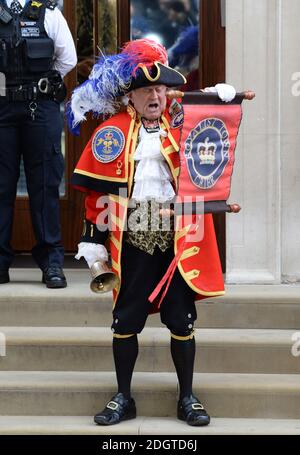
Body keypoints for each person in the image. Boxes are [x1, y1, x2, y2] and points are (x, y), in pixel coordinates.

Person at [69, 39, 235, 426]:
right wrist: (94, 245)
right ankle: (124, 398)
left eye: (161, 89)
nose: (155, 96)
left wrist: (222, 102)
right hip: (131, 241)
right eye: (146, 89)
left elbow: (216, 138)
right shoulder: (111, 133)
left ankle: (187, 397)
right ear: (132, 96)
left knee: (181, 319)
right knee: (125, 320)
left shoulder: (185, 128)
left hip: (178, 239)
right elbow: (98, 195)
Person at [0, 0, 77, 287]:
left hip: (40, 107)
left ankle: (52, 263)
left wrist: (40, 83)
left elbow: (67, 58)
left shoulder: (49, 12)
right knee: (1, 186)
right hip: (1, 108)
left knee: (44, 185)